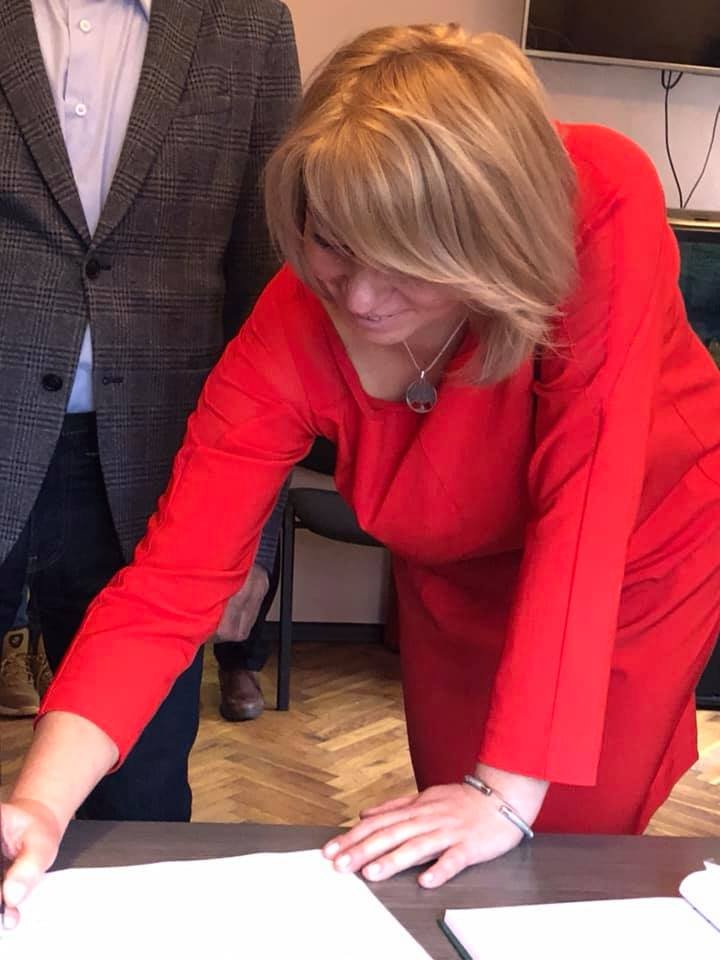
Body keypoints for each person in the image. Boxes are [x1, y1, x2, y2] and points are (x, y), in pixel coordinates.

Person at [4, 23, 720, 922]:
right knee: (453, 842)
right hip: (458, 566)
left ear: (487, 242)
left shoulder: (597, 199)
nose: (361, 298)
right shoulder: (290, 325)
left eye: (407, 265)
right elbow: (169, 585)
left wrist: (506, 791)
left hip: (633, 559)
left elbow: (587, 502)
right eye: (333, 244)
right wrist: (40, 802)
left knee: (552, 845)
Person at [0, 0, 300, 821]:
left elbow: (273, 296)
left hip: (158, 477)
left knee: (138, 799)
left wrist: (249, 537)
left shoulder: (250, 24)